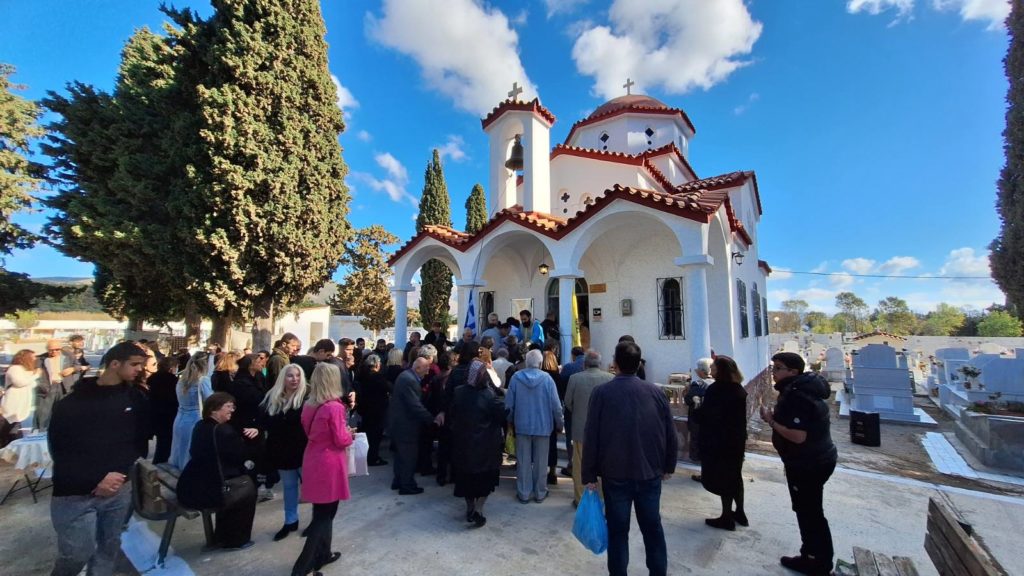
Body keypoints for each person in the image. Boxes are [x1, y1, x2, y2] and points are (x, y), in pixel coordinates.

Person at [48, 342, 151, 576]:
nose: (139, 370)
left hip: (118, 487)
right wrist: (96, 478)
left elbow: (139, 442)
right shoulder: (72, 404)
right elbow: (61, 449)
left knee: (109, 547)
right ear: (115, 364)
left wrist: (120, 473)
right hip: (76, 492)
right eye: (135, 364)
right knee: (76, 554)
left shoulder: (136, 398)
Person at [582, 341, 677, 576]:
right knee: (652, 528)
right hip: (648, 472)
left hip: (616, 474)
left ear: (614, 363)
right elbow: (670, 432)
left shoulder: (602, 393)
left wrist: (589, 474)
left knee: (618, 531)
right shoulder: (655, 392)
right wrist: (669, 465)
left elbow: (591, 434)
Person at [761, 352, 838, 576]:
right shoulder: (800, 390)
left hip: (807, 463)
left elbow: (798, 436)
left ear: (793, 372)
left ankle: (816, 561)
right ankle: (812, 556)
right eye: (773, 367)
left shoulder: (797, 396)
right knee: (809, 511)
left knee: (809, 513)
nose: (773, 373)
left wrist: (770, 420)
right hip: (816, 458)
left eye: (778, 368)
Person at [291, 363, 353, 576]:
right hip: (329, 462)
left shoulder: (310, 404)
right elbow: (341, 439)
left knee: (322, 511)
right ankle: (302, 568)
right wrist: (350, 434)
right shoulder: (334, 407)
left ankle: (323, 554)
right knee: (324, 515)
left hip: (313, 458)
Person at [176, 392, 257, 550]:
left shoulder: (200, 426)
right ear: (214, 410)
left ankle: (221, 536)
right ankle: (235, 540)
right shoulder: (223, 431)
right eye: (228, 406)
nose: (232, 410)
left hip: (192, 486)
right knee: (246, 488)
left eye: (233, 407)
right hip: (211, 491)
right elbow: (239, 455)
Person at [450, 355, 506, 528]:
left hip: (464, 444)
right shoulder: (488, 395)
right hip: (485, 447)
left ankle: (470, 507)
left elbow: (453, 413)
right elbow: (502, 413)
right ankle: (479, 509)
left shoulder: (459, 392)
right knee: (485, 481)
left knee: (466, 480)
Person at [505, 349, 562, 504]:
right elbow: (556, 406)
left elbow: (509, 404)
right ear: (540, 363)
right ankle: (540, 492)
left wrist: (510, 421)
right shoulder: (547, 379)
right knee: (541, 461)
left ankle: (524, 492)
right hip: (543, 425)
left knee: (523, 460)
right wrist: (559, 423)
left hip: (522, 424)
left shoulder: (516, 378)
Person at [698, 356, 748, 531]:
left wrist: (696, 410)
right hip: (736, 440)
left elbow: (708, 415)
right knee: (735, 476)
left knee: (723, 478)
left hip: (719, 441)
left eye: (714, 368)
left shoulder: (717, 390)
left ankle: (726, 517)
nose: (711, 370)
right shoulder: (738, 389)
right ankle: (739, 512)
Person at [260, 364, 309, 541]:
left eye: (298, 375)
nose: (295, 379)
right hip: (282, 451)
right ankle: (290, 520)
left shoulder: (307, 397)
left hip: (304, 450)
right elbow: (264, 422)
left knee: (310, 487)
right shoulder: (272, 397)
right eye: (290, 375)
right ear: (283, 378)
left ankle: (316, 522)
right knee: (289, 487)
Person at [564, 349, 612, 506]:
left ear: (584, 364)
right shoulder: (609, 378)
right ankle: (602, 497)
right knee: (603, 464)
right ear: (600, 363)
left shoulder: (575, 378)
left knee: (579, 465)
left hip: (581, 428)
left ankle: (580, 498)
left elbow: (568, 402)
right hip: (603, 430)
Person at [388, 357, 435, 495]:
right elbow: (415, 406)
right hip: (406, 425)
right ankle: (407, 485)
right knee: (408, 457)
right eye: (426, 369)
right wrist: (431, 420)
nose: (427, 372)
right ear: (418, 368)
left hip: (399, 423)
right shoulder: (410, 380)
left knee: (400, 456)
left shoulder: (406, 376)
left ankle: (398, 481)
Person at [169, 352, 214, 471]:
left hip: (179, 418)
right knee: (190, 453)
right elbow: (211, 401)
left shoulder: (181, 380)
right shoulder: (203, 380)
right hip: (195, 419)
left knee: (179, 449)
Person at [354, 354, 390, 466]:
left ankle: (366, 455)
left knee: (368, 433)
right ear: (377, 364)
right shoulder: (377, 377)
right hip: (377, 409)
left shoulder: (362, 375)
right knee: (375, 435)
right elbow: (389, 388)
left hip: (365, 408)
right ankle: (373, 457)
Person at [37, 339, 77, 430]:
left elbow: (78, 366)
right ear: (47, 349)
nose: (54, 352)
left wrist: (72, 369)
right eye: (51, 350)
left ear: (61, 348)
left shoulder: (69, 355)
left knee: (64, 411)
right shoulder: (40, 359)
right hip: (48, 387)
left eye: (57, 349)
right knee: (44, 413)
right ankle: (41, 432)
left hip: (64, 386)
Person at [2, 350, 41, 442]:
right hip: (13, 402)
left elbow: (32, 384)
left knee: (15, 425)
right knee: (9, 425)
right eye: (33, 357)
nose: (35, 359)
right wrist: (36, 375)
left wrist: (32, 375)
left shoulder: (25, 371)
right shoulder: (15, 369)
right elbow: (19, 382)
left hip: (21, 403)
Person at [558, 346, 586, 477]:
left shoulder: (569, 367)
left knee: (571, 437)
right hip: (589, 409)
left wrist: (564, 402)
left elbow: (561, 385)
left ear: (573, 355)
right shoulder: (594, 368)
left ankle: (572, 464)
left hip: (572, 408)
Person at [148, 356, 181, 464]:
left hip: (156, 413)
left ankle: (158, 462)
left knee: (161, 442)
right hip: (169, 415)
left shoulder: (153, 378)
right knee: (167, 443)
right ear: (171, 368)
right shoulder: (173, 381)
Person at [686, 357, 714, 478]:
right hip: (713, 422)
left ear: (701, 371)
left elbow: (688, 399)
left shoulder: (698, 385)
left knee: (701, 446)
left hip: (699, 422)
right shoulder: (718, 384)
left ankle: (705, 475)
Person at [541, 349, 563, 486]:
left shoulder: (541, 375)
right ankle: (553, 472)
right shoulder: (557, 377)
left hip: (541, 413)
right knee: (552, 445)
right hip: (552, 414)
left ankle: (540, 471)